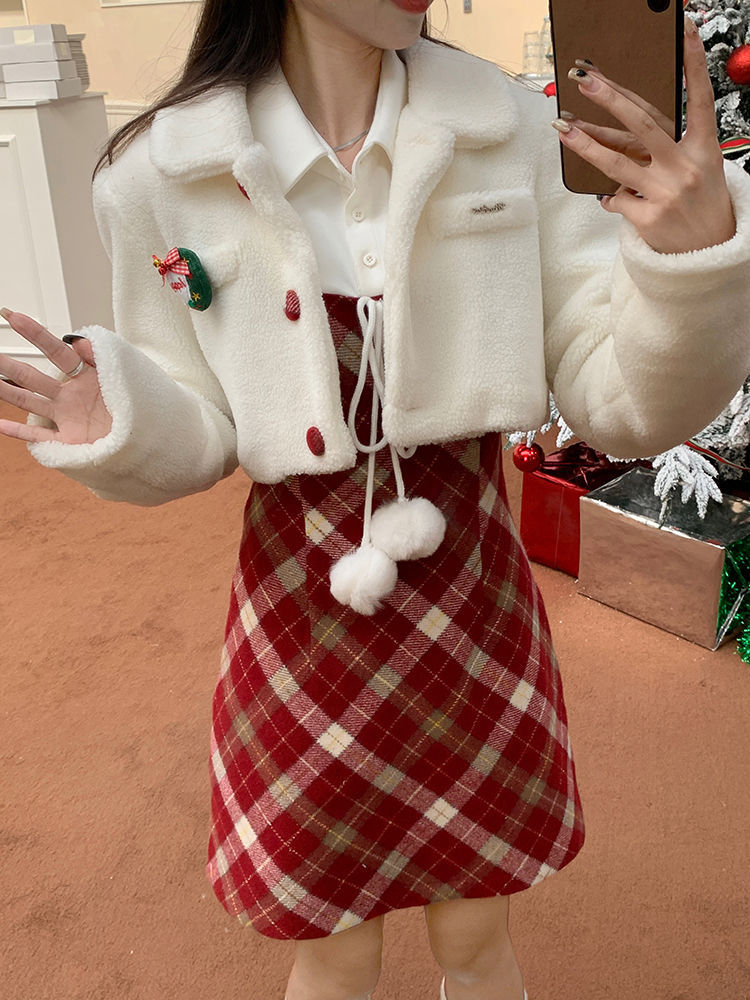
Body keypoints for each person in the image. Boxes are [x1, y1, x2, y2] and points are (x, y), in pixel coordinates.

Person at [1, 2, 749, 999]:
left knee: (477, 930)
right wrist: (127, 422)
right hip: (298, 619)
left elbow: (618, 404)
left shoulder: (515, 130)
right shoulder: (156, 174)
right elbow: (201, 418)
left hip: (474, 602)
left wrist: (685, 271)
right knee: (333, 946)